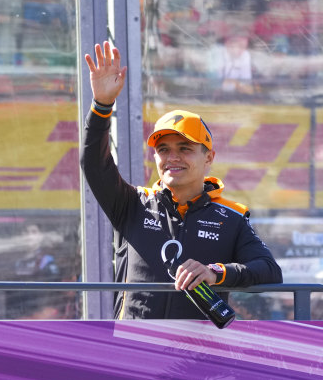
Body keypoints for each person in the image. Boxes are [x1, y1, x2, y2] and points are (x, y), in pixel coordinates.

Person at [80, 41, 282, 320]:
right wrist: (102, 105)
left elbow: (269, 271)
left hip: (199, 354)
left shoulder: (231, 218)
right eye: (163, 149)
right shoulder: (131, 204)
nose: (172, 157)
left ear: (208, 157)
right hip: (134, 351)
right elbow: (94, 163)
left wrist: (216, 273)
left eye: (184, 148)